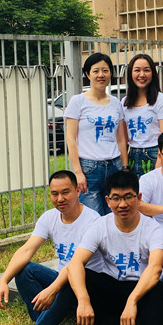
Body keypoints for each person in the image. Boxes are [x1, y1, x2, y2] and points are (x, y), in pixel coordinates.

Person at [66, 170, 163, 325]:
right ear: (107, 200)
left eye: (128, 197)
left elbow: (155, 269)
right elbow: (75, 264)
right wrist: (83, 300)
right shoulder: (100, 226)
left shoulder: (153, 229)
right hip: (113, 288)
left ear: (139, 198)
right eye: (116, 198)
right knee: (84, 276)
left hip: (142, 292)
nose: (123, 204)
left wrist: (133, 300)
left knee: (156, 286)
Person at [0, 171, 102, 325]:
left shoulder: (93, 221)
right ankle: (45, 322)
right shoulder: (49, 217)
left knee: (68, 282)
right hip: (63, 280)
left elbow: (75, 266)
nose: (60, 198)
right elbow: (26, 250)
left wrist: (52, 290)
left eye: (65, 192)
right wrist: (4, 280)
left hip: (86, 285)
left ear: (78, 191)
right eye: (54, 194)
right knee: (25, 271)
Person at [65, 53, 129, 215]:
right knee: (93, 218)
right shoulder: (78, 101)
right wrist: (78, 172)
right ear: (88, 74)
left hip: (114, 166)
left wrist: (124, 168)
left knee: (115, 217)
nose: (101, 75)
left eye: (105, 70)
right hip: (89, 169)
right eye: (96, 71)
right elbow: (70, 139)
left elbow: (121, 139)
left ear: (111, 74)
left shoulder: (116, 103)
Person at [123, 53, 163, 177]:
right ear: (130, 74)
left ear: (153, 73)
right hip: (132, 155)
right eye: (137, 70)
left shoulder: (161, 100)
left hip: (154, 154)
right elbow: (123, 139)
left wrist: (160, 161)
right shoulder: (124, 102)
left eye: (146, 70)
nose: (142, 75)